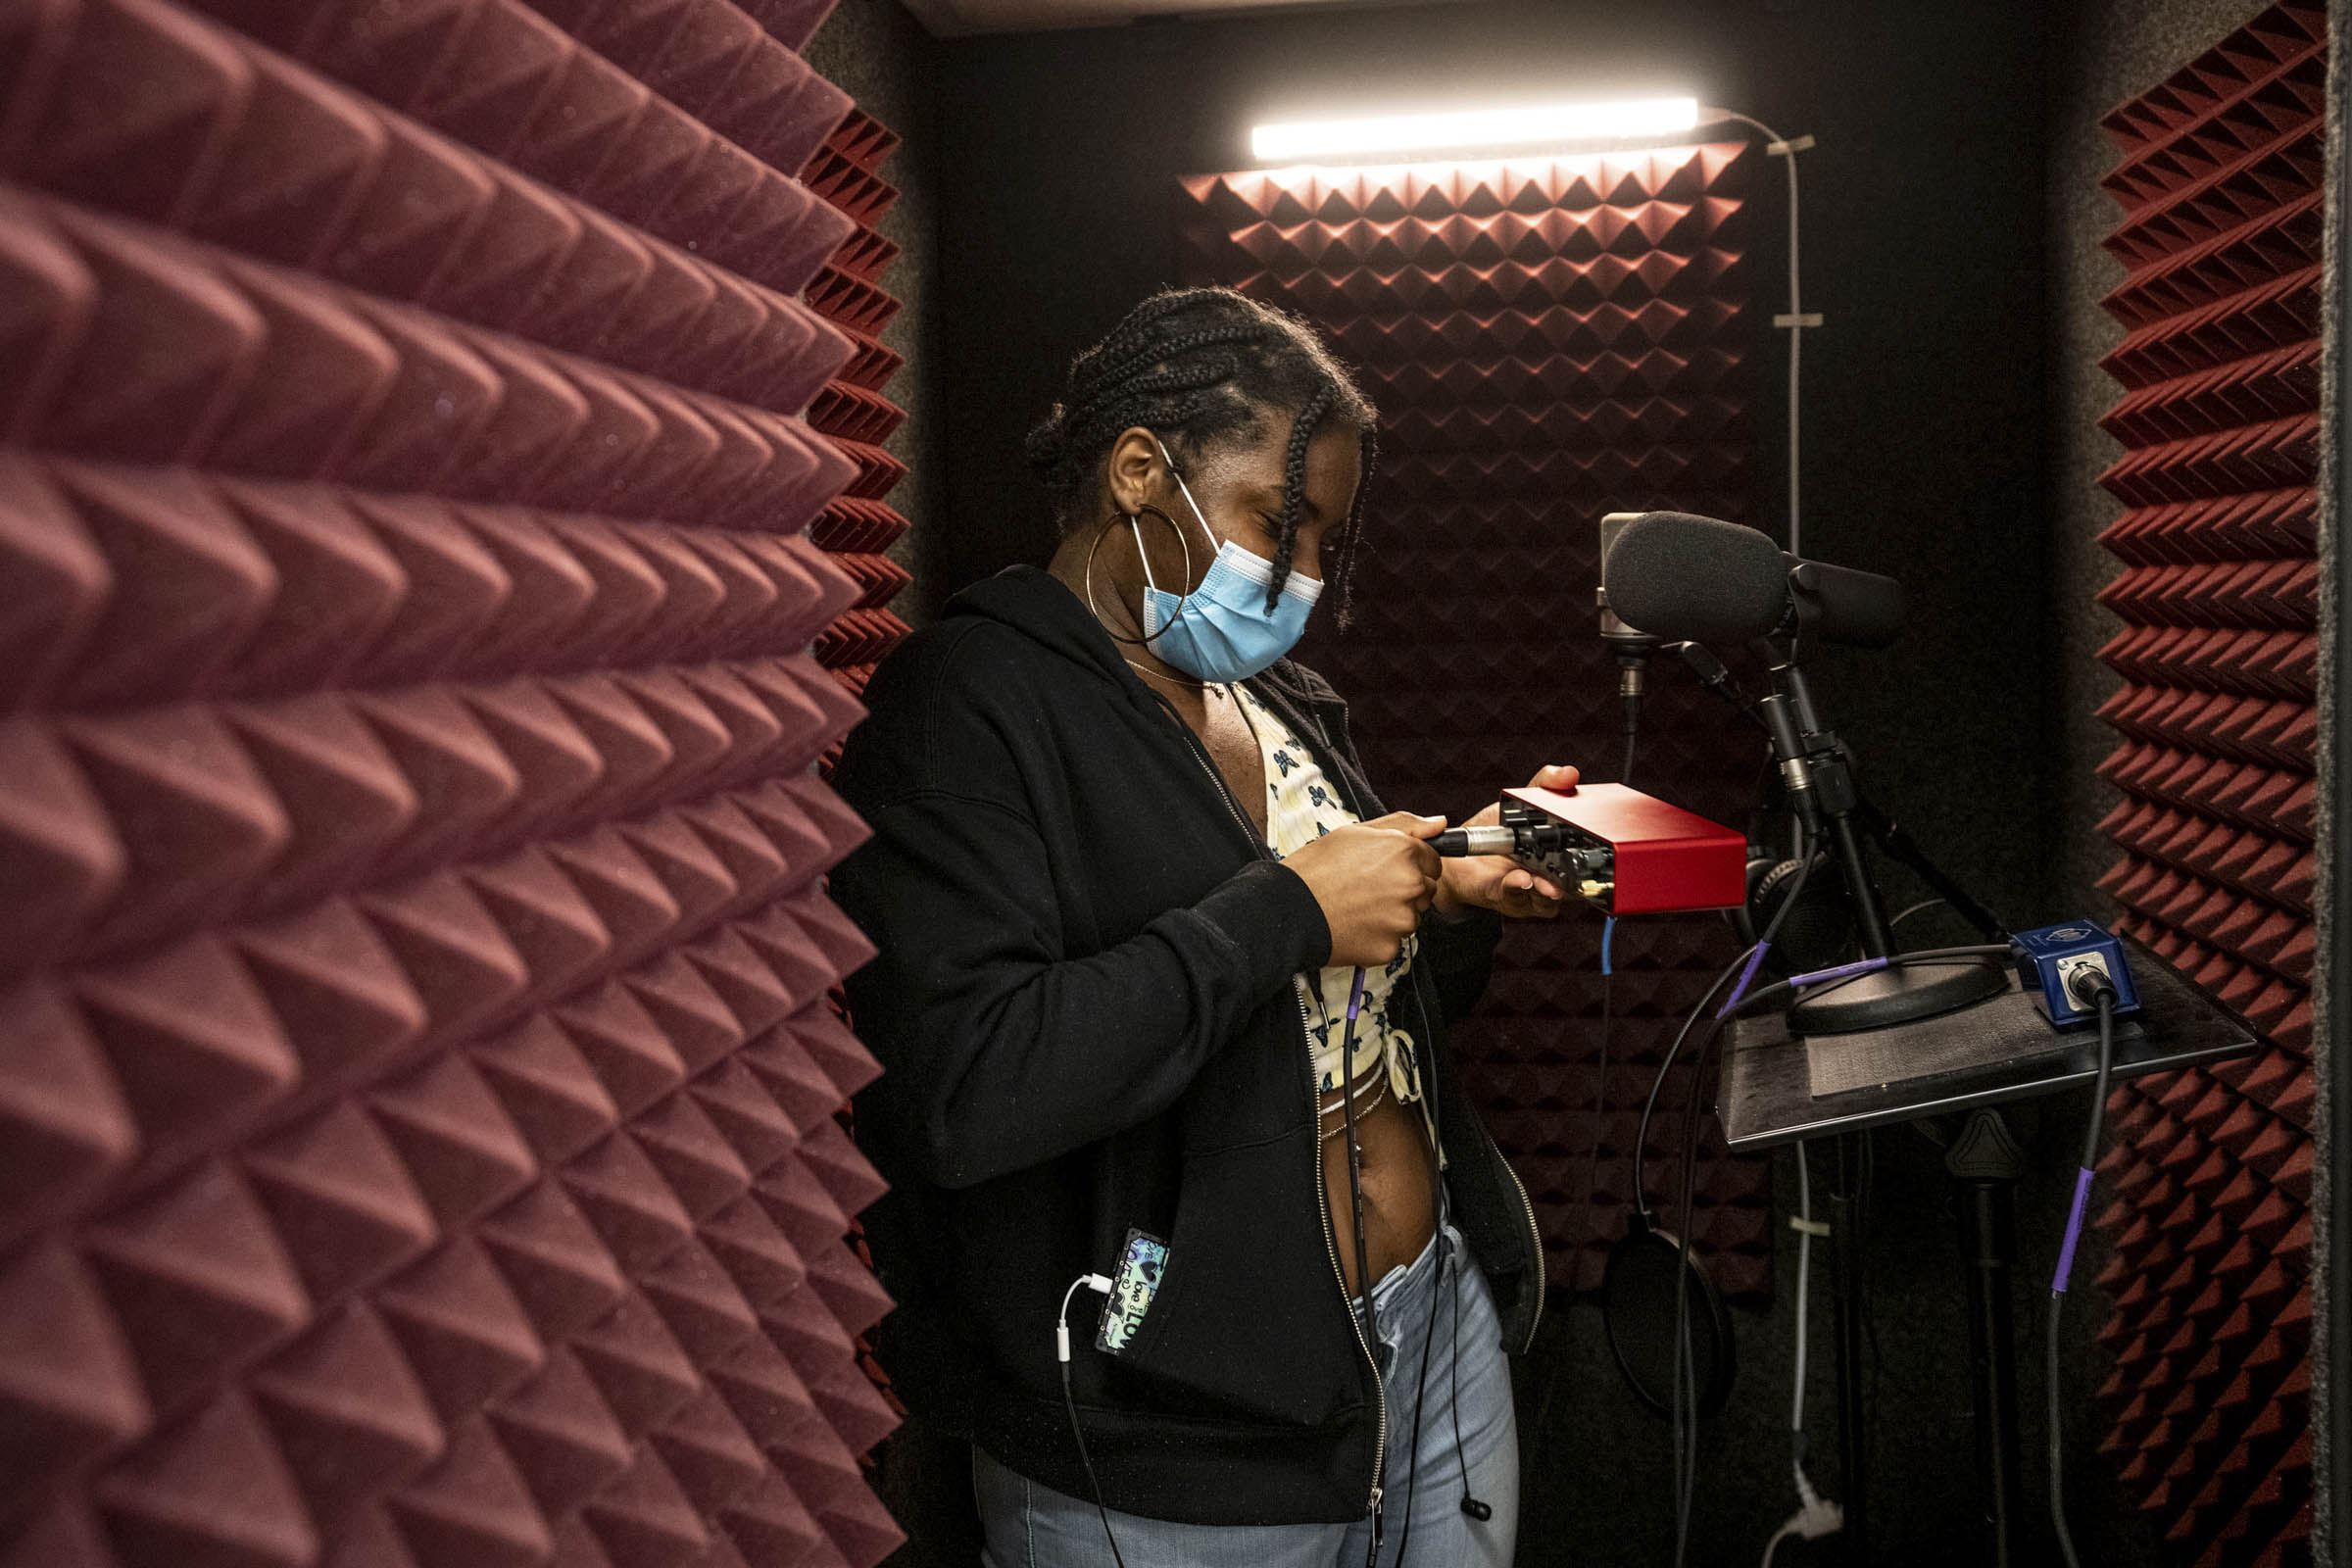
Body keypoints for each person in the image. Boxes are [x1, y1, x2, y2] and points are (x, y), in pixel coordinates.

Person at [830, 286, 1577, 1567]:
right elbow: (971, 1089)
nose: (1304, 575)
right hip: (1177, 1432)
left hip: (1427, 1338)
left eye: (1328, 541)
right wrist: (1289, 908)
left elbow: (1346, 1007)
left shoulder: (1281, 700)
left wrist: (1446, 898)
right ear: (1138, 471)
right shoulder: (967, 707)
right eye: (1275, 523)